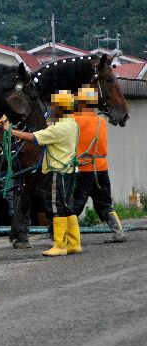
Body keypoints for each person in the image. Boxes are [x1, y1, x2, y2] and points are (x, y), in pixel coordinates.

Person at [5, 90, 81, 256]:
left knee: (55, 207)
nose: (50, 109)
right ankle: (74, 242)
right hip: (68, 171)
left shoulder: (58, 129)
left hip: (56, 172)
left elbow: (33, 137)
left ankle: (60, 245)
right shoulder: (72, 124)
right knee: (67, 206)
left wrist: (10, 131)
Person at [71, 85, 125, 243]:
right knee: (105, 203)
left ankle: (66, 236)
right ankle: (118, 233)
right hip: (101, 168)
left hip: (83, 168)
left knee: (75, 204)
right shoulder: (101, 121)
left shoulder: (73, 120)